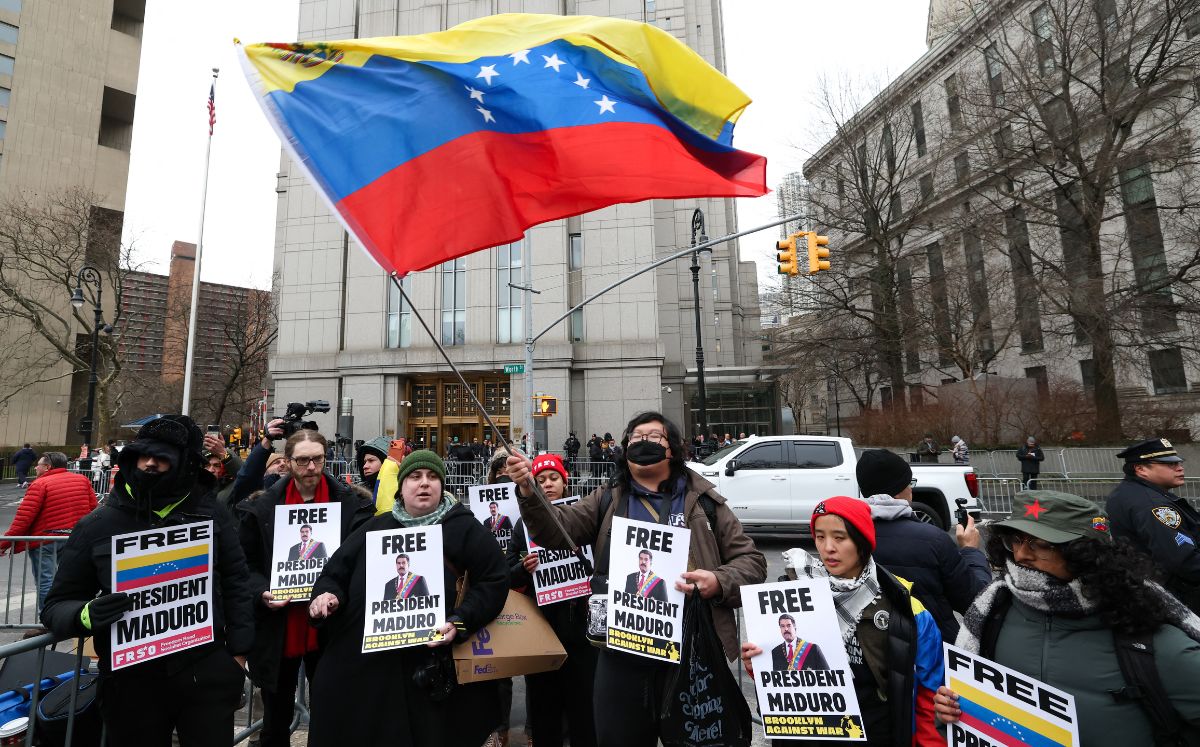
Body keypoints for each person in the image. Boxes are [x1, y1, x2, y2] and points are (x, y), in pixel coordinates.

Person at [506, 411, 766, 747]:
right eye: (636, 437)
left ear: (672, 448)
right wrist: (528, 490)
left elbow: (753, 562)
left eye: (654, 436)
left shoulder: (705, 503)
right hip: (621, 650)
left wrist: (718, 580)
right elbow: (554, 529)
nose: (643, 442)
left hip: (692, 649)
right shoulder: (605, 500)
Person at [41, 415, 254, 746]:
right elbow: (57, 604)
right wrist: (87, 614)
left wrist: (236, 659)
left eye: (163, 458)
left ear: (185, 464)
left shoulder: (212, 515)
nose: (150, 464)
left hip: (206, 672)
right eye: (144, 455)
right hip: (130, 683)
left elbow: (238, 581)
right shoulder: (97, 524)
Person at [934, 490, 1200, 746]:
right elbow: (970, 719)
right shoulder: (994, 611)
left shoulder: (1152, 635)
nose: (1021, 555)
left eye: (1041, 545)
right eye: (1015, 539)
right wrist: (951, 710)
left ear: (1085, 553)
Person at [306, 450, 508, 747]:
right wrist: (327, 595)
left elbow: (494, 580)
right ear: (401, 487)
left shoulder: (464, 527)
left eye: (433, 477)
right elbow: (335, 572)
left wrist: (460, 621)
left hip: (432, 668)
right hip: (372, 668)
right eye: (415, 477)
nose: (424, 483)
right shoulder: (376, 526)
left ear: (443, 485)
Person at [742, 496, 943, 747]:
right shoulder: (793, 595)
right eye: (820, 536)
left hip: (875, 735)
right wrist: (757, 663)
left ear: (862, 542)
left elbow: (927, 694)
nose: (828, 548)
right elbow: (782, 681)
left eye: (839, 537)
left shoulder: (905, 608)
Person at [237, 428, 374, 747]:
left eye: (317, 459)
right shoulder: (261, 508)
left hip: (332, 626)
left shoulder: (353, 505)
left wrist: (337, 593)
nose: (311, 467)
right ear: (288, 461)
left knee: (333, 714)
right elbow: (246, 566)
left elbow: (363, 565)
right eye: (302, 460)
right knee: (275, 718)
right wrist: (262, 592)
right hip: (278, 628)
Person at [506, 453, 597, 747]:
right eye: (540, 479)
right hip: (541, 631)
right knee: (544, 707)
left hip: (582, 632)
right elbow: (506, 574)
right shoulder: (523, 525)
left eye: (553, 478)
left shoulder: (584, 517)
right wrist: (523, 568)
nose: (547, 484)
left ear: (565, 482)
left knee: (584, 707)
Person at [857, 449, 990, 642]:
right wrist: (970, 550)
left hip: (872, 647)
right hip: (933, 647)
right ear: (899, 489)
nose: (911, 489)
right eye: (909, 483)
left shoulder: (849, 537)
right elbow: (975, 603)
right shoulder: (933, 539)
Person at [1107, 437, 1200, 612]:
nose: (1180, 468)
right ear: (1141, 469)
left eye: (1178, 463)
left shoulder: (1129, 492)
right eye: (1169, 465)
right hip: (1173, 595)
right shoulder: (1154, 505)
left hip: (1147, 588)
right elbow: (1182, 561)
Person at [0, 452, 97, 613]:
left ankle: (47, 620)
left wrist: (4, 543)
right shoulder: (82, 479)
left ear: (47, 467)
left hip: (45, 539)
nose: (36, 467)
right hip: (73, 537)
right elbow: (92, 506)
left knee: (46, 581)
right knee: (69, 580)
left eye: (38, 464)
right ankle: (67, 616)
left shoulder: (40, 484)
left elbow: (24, 518)